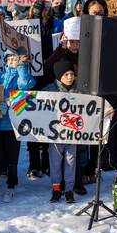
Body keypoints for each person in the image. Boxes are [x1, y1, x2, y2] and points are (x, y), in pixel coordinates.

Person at [0, 50, 35, 203]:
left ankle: (11, 187)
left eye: (15, 59)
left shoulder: (23, 75)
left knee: (13, 160)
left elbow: (26, 86)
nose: (12, 62)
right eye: (9, 59)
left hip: (13, 126)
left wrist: (21, 66)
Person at [45, 58, 79, 204]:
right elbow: (33, 102)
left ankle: (68, 189)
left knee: (71, 161)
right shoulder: (48, 89)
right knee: (55, 160)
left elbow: (94, 104)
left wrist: (107, 110)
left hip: (73, 133)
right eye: (66, 74)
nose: (70, 77)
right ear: (59, 76)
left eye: (72, 74)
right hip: (56, 134)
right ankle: (56, 188)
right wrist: (14, 101)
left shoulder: (80, 89)